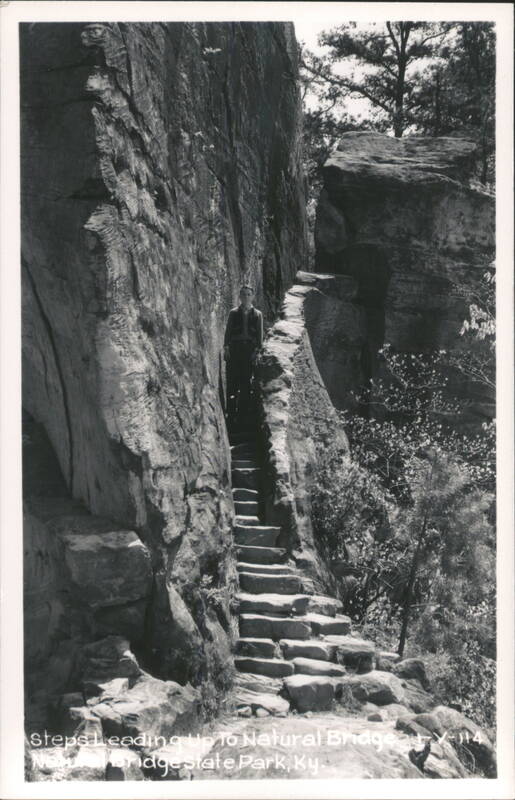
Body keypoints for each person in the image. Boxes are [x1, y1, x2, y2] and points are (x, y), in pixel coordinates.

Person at [224, 285, 263, 427]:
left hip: (249, 350)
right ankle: (231, 416)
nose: (246, 297)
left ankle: (242, 418)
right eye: (243, 294)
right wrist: (226, 348)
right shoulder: (233, 313)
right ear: (239, 297)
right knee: (232, 382)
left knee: (246, 383)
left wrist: (257, 351)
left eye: (248, 294)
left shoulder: (257, 314)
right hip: (235, 349)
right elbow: (228, 332)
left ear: (252, 297)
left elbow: (260, 336)